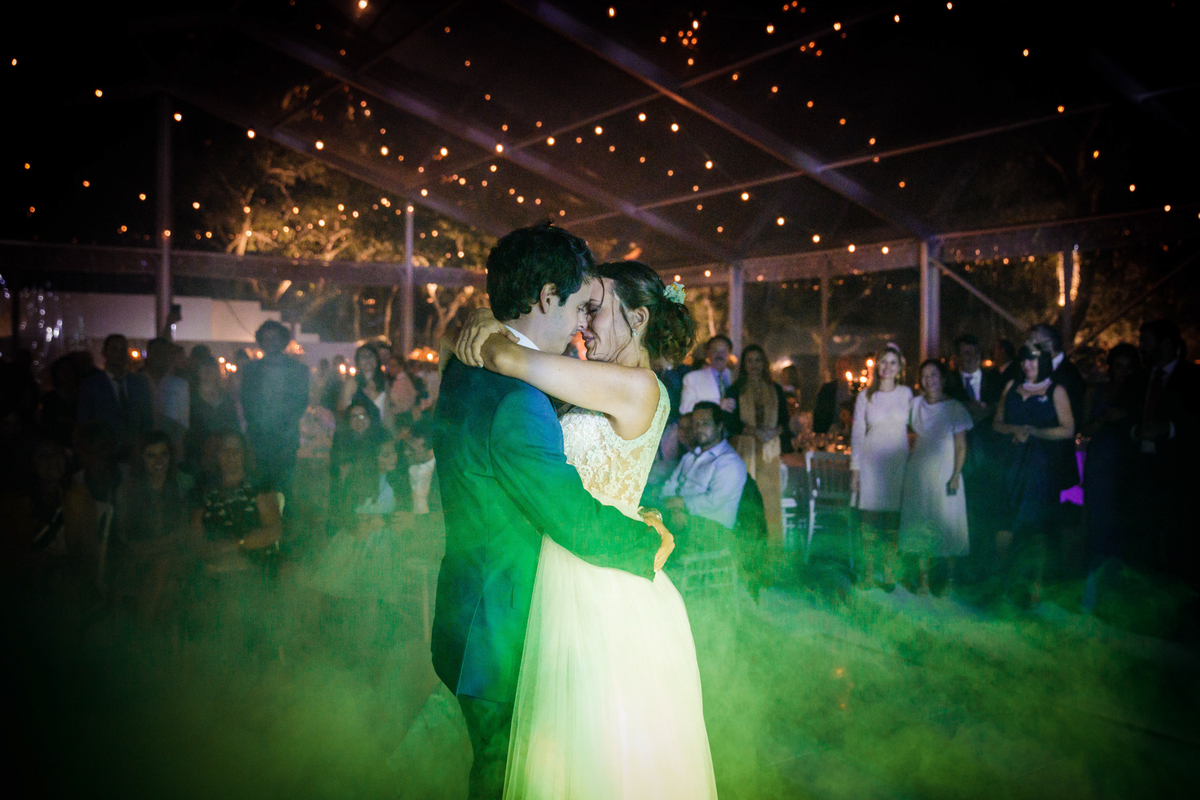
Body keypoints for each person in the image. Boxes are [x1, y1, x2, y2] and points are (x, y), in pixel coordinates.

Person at [435, 225, 696, 799]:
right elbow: (572, 507)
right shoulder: (519, 393)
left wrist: (490, 333)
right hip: (523, 602)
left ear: (640, 319)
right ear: (549, 296)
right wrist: (644, 539)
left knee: (579, 759)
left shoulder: (629, 386)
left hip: (578, 590)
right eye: (583, 305)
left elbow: (516, 365)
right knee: (538, 770)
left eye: (596, 309)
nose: (584, 322)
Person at [992, 344, 1075, 606]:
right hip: (1011, 464)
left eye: (1033, 360)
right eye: (1024, 360)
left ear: (1044, 362)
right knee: (1005, 522)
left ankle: (1034, 586)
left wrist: (1035, 432)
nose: (1027, 365)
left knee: (1037, 526)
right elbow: (997, 423)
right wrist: (1014, 429)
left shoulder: (1056, 390)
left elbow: (1068, 429)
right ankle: (1002, 580)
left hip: (1041, 466)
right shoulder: (1011, 387)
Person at [1129, 320, 1199, 583]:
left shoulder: (1192, 378)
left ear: (1166, 343)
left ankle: (1183, 596)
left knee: (1179, 538)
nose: (1141, 348)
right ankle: (1148, 594)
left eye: (1146, 342)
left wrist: (1168, 429)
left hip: (1179, 473)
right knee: (1143, 535)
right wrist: (1137, 431)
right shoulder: (1139, 379)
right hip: (1141, 470)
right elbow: (1124, 418)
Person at [899, 360, 972, 596]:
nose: (929, 379)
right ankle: (924, 580)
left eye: (934, 375)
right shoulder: (916, 404)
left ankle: (949, 581)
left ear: (942, 379)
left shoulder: (954, 408)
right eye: (925, 375)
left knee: (948, 524)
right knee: (921, 524)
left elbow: (961, 445)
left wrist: (956, 475)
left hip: (945, 473)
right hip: (919, 473)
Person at [1079, 343, 1140, 612]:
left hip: (1130, 470)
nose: (1123, 373)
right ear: (1110, 367)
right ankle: (1091, 600)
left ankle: (1120, 601)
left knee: (1125, 534)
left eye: (1129, 368)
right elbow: (1083, 431)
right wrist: (1106, 418)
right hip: (1100, 469)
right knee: (1098, 533)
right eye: (1119, 366)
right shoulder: (1097, 392)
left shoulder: (1139, 394)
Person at [112, 431, 194, 625]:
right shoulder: (127, 491)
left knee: (164, 568)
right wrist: (154, 548)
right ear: (140, 458)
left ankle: (143, 635)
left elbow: (185, 535)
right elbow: (125, 540)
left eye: (164, 454)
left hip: (176, 558)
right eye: (151, 455)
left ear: (171, 456)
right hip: (140, 561)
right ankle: (158, 643)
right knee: (166, 581)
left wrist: (150, 548)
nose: (159, 461)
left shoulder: (184, 484)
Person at [850, 344, 913, 589]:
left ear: (900, 368)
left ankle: (888, 569)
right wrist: (855, 469)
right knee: (869, 521)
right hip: (871, 463)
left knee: (892, 522)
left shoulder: (907, 394)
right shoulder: (865, 395)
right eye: (883, 362)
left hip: (897, 463)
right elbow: (857, 434)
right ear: (877, 366)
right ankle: (866, 570)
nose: (887, 367)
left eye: (893, 363)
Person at [726, 344, 791, 544]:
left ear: (764, 363)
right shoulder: (736, 389)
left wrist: (773, 431)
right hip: (744, 449)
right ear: (744, 364)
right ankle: (748, 545)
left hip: (770, 450)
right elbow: (730, 422)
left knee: (770, 498)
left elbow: (785, 421)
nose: (754, 365)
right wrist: (755, 432)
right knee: (747, 495)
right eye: (750, 360)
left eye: (758, 360)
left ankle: (771, 548)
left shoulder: (776, 389)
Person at [240, 321, 309, 502]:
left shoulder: (298, 370)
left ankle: (285, 527)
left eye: (275, 337)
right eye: (266, 337)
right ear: (260, 340)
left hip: (286, 441)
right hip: (258, 441)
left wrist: (283, 427)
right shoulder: (250, 370)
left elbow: (301, 402)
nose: (270, 341)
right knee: (259, 491)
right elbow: (246, 402)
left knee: (284, 490)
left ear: (283, 340)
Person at [77, 333, 153, 460]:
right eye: (114, 349)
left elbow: (147, 418)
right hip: (103, 452)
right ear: (104, 353)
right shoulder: (92, 384)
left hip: (135, 452)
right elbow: (85, 421)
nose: (119, 354)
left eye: (123, 350)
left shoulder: (140, 383)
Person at [338, 342, 392, 428]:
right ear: (358, 362)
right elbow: (342, 411)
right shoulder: (351, 383)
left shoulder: (384, 383)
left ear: (377, 360)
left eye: (370, 356)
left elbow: (387, 415)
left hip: (378, 433)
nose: (367, 359)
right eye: (363, 357)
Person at [680, 334, 734, 415]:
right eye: (715, 350)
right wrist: (717, 404)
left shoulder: (735, 376)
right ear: (708, 352)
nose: (719, 355)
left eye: (723, 351)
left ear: (729, 354)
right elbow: (684, 408)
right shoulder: (692, 378)